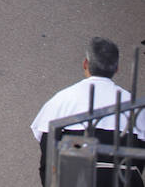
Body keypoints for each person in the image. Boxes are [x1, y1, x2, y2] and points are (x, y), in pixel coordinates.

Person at [31, 38, 145, 186]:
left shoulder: (62, 100)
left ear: (86, 63)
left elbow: (47, 150)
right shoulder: (135, 107)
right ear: (116, 68)